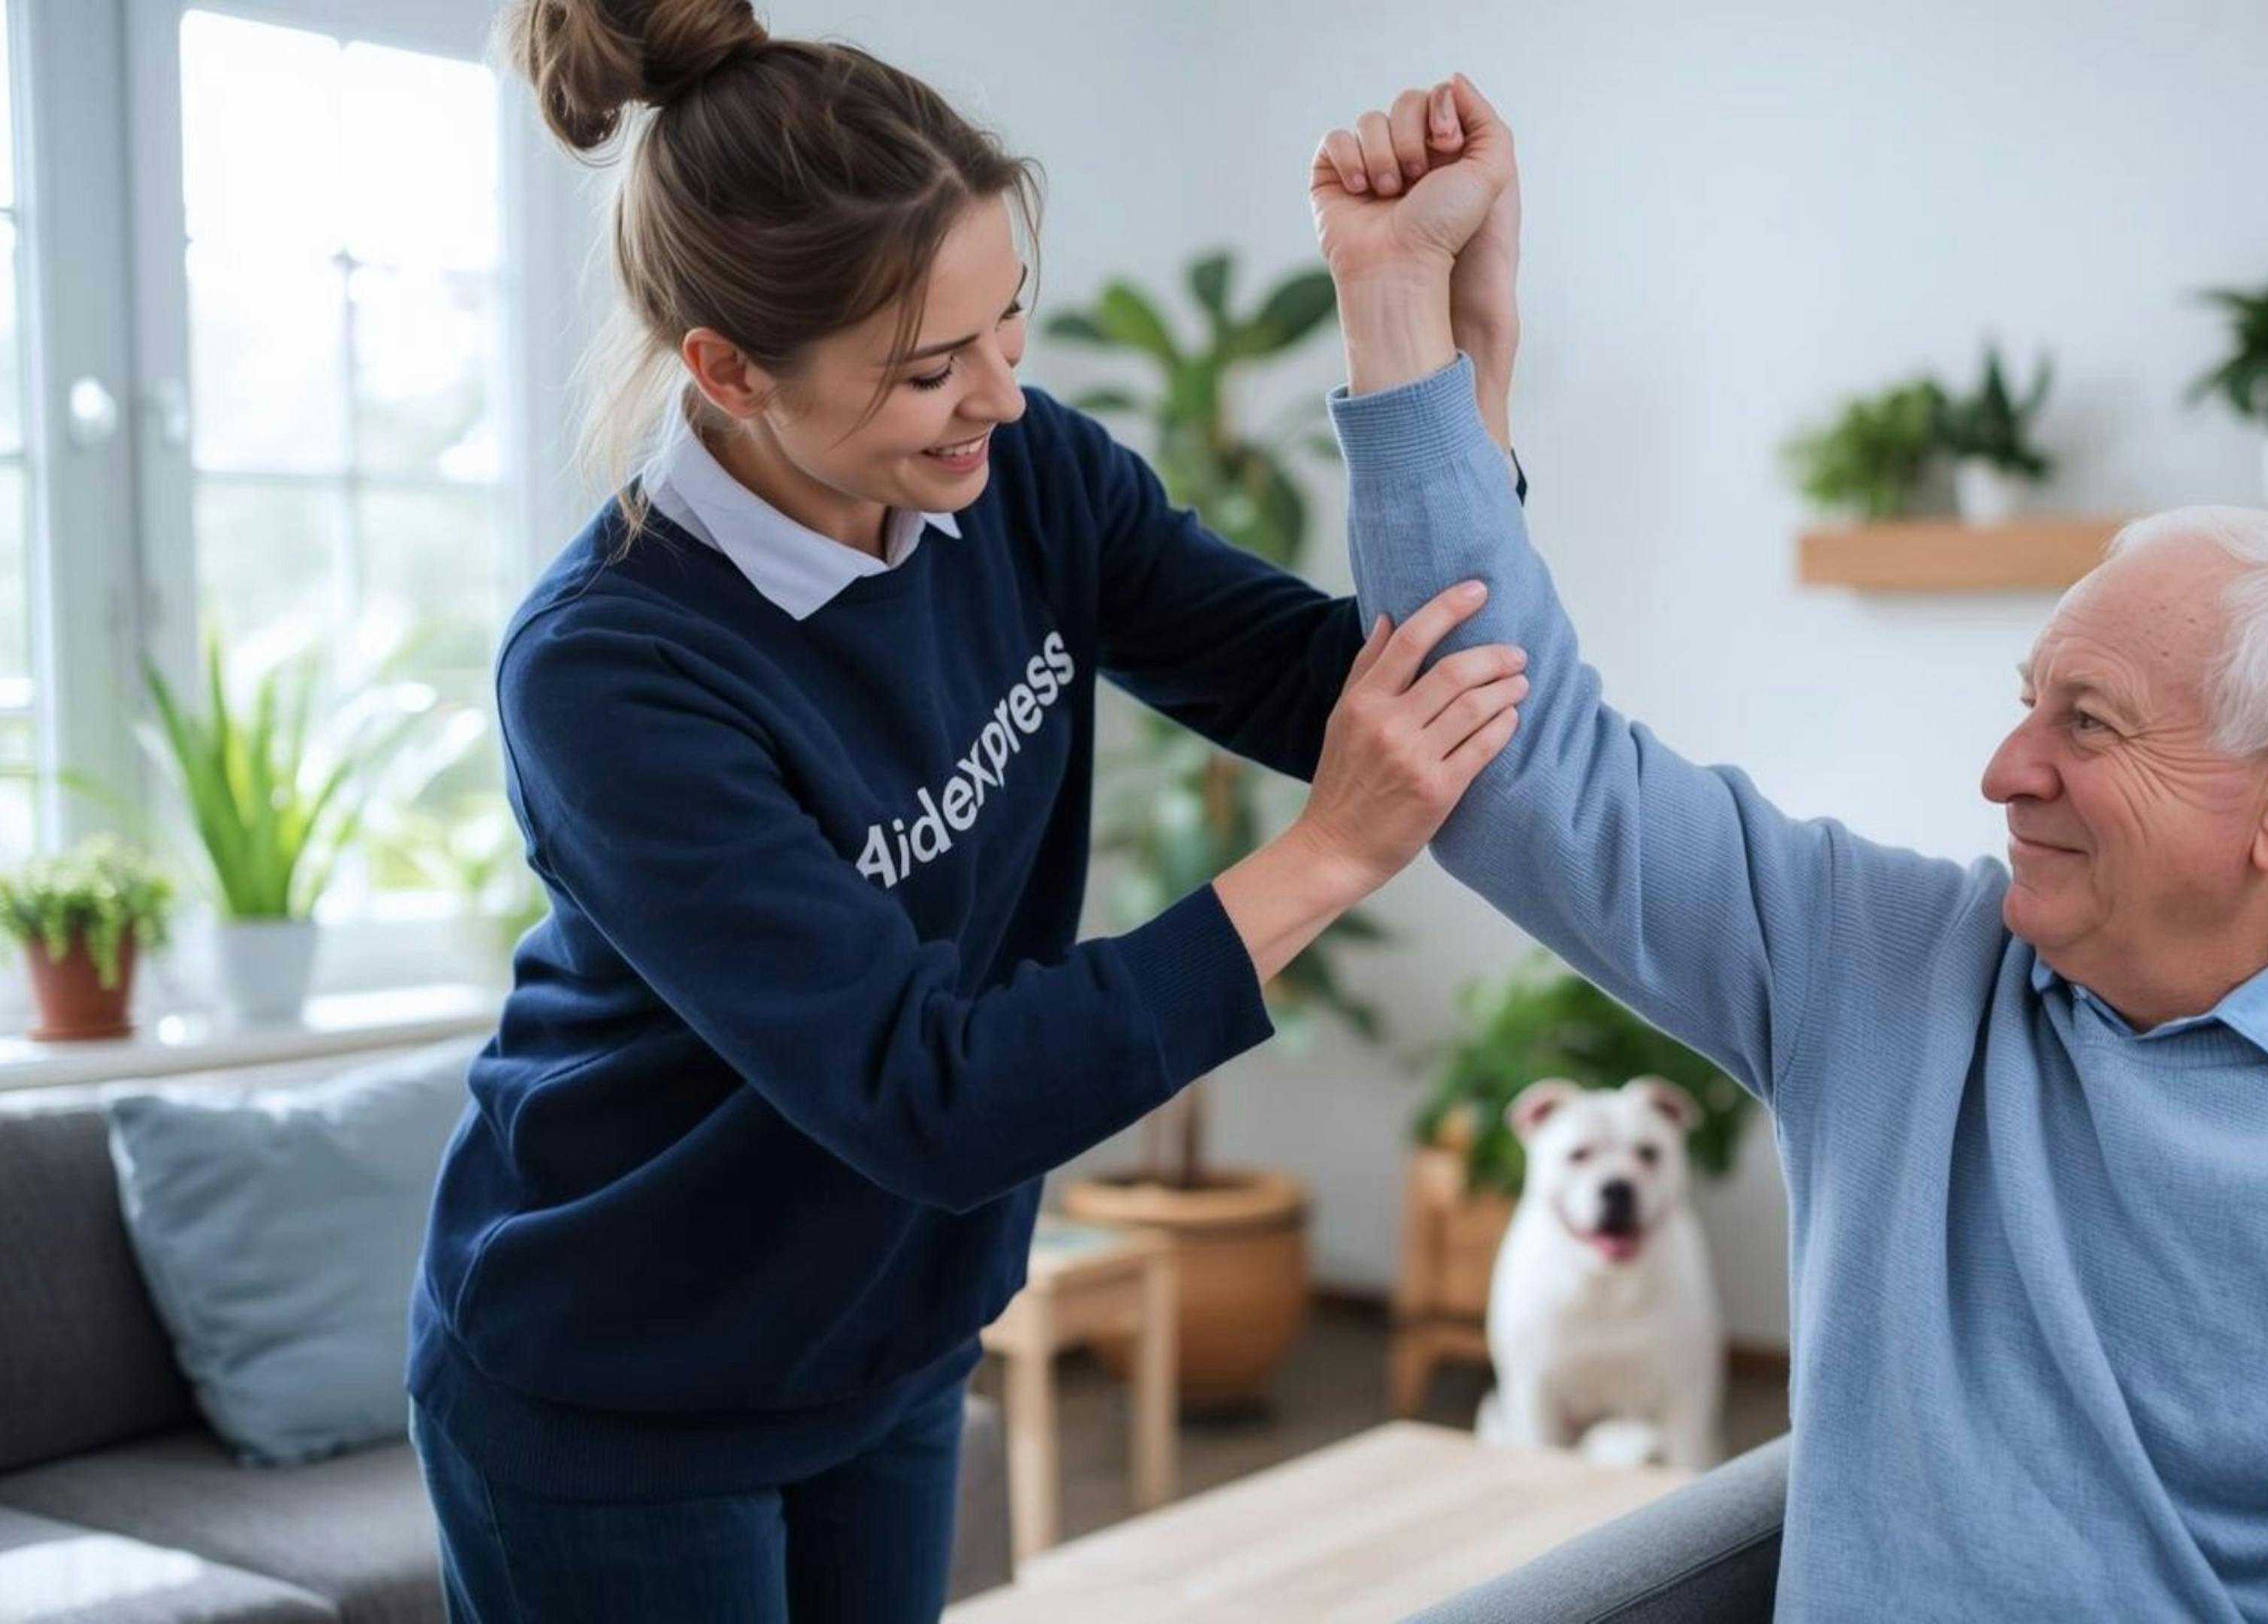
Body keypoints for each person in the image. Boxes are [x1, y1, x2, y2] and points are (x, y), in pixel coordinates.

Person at [1311, 76, 2268, 1622]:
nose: (2002, 769)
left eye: (2087, 726)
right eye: (2024, 702)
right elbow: (1517, 772)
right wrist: (1397, 304)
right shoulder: (1884, 969)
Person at [406, 8, 1530, 1619]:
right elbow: (930, 1091)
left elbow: (1343, 682)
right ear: (725, 370)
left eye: (1012, 328)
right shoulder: (610, 673)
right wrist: (1330, 855)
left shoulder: (1022, 475)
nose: (999, 399)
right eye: (931, 368)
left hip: (892, 1340)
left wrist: (1442, 324)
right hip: (616, 1386)